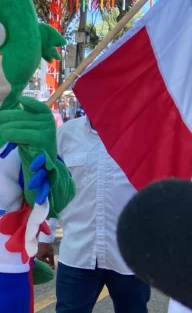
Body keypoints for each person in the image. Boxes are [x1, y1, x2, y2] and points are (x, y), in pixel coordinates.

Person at [36, 115, 151, 313]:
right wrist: (45, 238)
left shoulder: (142, 136)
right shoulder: (65, 135)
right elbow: (55, 190)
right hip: (78, 253)